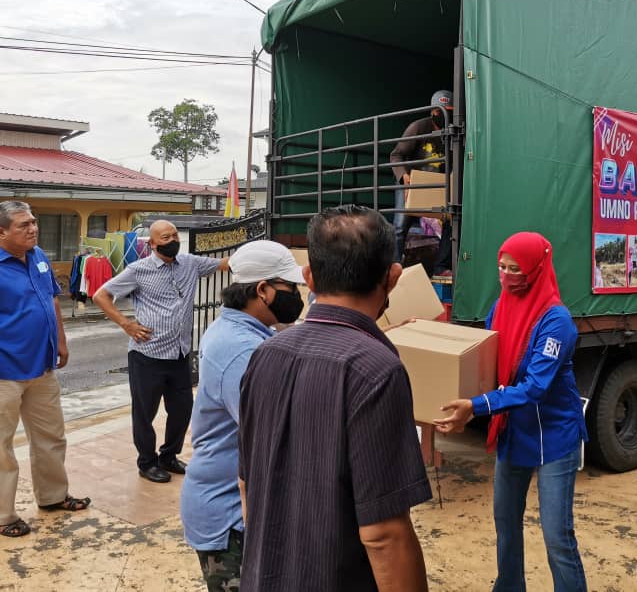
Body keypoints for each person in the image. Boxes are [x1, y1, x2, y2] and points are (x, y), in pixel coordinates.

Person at [238, 205, 431, 591]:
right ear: (392, 278)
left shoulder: (265, 354)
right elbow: (385, 535)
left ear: (308, 277)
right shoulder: (377, 369)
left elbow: (248, 484)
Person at [435, 232, 588, 592]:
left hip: (554, 438)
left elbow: (535, 388)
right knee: (505, 524)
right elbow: (487, 359)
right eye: (501, 267)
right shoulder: (500, 307)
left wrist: (476, 406)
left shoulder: (556, 321)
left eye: (515, 269)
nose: (506, 275)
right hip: (514, 432)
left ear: (536, 269)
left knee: (556, 536)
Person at [0, 200, 90, 538]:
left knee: (50, 437)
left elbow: (51, 299)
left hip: (41, 368)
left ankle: (53, 496)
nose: (32, 229)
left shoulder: (38, 257)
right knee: (0, 448)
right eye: (23, 225)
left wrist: (60, 340)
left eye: (33, 222)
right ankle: (1, 516)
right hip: (3, 374)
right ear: (0, 232)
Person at [180, 240, 305, 592]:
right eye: (289, 288)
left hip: (236, 507)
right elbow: (278, 432)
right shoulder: (241, 351)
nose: (296, 295)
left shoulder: (247, 331)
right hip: (230, 518)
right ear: (263, 290)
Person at [93, 220, 228, 483]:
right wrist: (126, 324)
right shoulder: (138, 270)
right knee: (145, 413)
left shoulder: (190, 263)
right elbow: (101, 295)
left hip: (179, 354)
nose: (173, 240)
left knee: (181, 410)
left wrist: (260, 254)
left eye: (175, 235)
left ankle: (169, 456)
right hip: (147, 355)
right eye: (166, 237)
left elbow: (225, 264)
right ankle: (147, 462)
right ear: (152, 244)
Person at [390, 90, 453, 274]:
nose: (446, 115)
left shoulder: (452, 133)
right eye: (443, 111)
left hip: (437, 184)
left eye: (450, 111)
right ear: (434, 111)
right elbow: (396, 155)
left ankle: (440, 268)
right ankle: (394, 267)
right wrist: (404, 176)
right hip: (412, 182)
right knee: (400, 226)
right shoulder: (418, 127)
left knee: (451, 222)